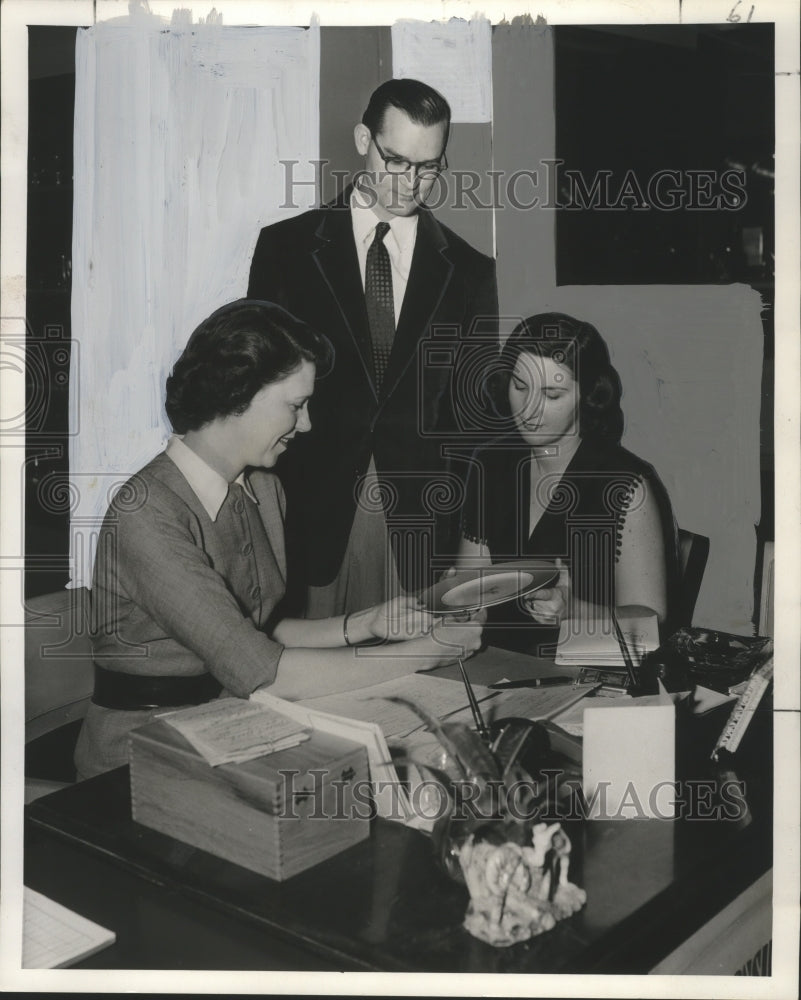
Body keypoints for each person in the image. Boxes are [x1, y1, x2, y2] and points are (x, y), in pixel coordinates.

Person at [74, 300, 483, 779]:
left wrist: (368, 623)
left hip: (232, 724)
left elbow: (259, 630)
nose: (307, 424)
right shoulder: (145, 512)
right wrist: (430, 650)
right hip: (138, 754)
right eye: (295, 405)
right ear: (237, 394)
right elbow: (263, 669)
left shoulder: (264, 490)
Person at [247, 78, 498, 617]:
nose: (411, 183)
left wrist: (470, 543)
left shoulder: (473, 273)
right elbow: (256, 391)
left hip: (422, 531)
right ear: (364, 138)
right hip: (307, 514)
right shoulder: (285, 250)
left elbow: (474, 424)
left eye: (428, 167)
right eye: (397, 161)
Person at [456, 312, 679, 655]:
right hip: (498, 664)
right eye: (520, 386)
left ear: (588, 396)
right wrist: (456, 598)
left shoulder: (626, 487)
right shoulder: (491, 464)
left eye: (553, 394)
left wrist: (574, 611)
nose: (529, 410)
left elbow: (650, 629)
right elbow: (473, 587)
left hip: (585, 672)